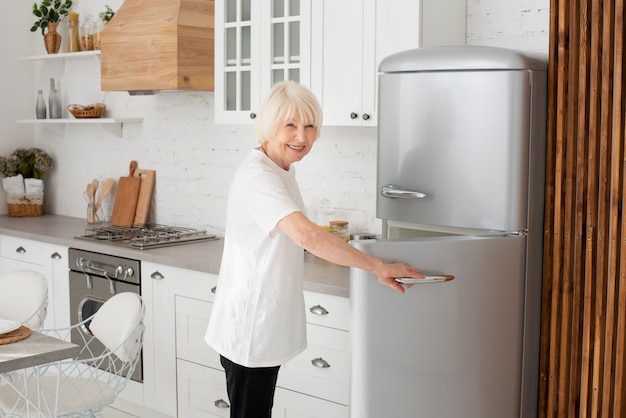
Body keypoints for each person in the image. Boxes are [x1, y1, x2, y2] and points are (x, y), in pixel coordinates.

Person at [204, 80, 424, 418]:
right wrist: (378, 266)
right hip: (249, 330)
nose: (302, 137)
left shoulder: (279, 169)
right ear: (268, 125)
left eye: (309, 126)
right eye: (290, 124)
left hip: (261, 323)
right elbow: (307, 237)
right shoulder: (259, 177)